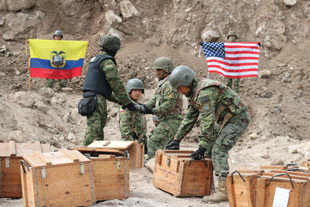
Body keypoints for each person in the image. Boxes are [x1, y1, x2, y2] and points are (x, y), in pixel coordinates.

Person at [166, 65, 250, 203]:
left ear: (187, 82)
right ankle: (206, 184)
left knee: (218, 150)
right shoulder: (193, 93)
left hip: (237, 119)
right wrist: (177, 139)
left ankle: (223, 192)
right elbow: (189, 118)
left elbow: (207, 121)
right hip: (225, 120)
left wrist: (202, 146)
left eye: (180, 88)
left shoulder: (205, 92)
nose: (180, 92)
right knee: (209, 150)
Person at [81, 34, 144, 146]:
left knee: (99, 128)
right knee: (94, 128)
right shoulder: (107, 61)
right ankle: (83, 153)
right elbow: (115, 84)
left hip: (94, 98)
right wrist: (127, 102)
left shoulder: (96, 60)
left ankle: (94, 154)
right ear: (113, 48)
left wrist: (119, 101)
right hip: (96, 100)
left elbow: (103, 89)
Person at [141, 57, 183, 160]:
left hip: (171, 120)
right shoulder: (163, 84)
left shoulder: (170, 84)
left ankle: (152, 166)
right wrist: (142, 107)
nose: (156, 73)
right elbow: (154, 100)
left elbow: (170, 104)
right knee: (169, 148)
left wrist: (153, 111)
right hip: (166, 120)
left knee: (153, 142)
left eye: (159, 70)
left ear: (167, 70)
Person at [119, 78, 148, 153]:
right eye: (135, 90)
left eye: (139, 91)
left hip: (140, 143)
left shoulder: (138, 106)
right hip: (130, 143)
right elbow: (125, 129)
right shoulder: (126, 106)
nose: (137, 93)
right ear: (129, 91)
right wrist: (133, 145)